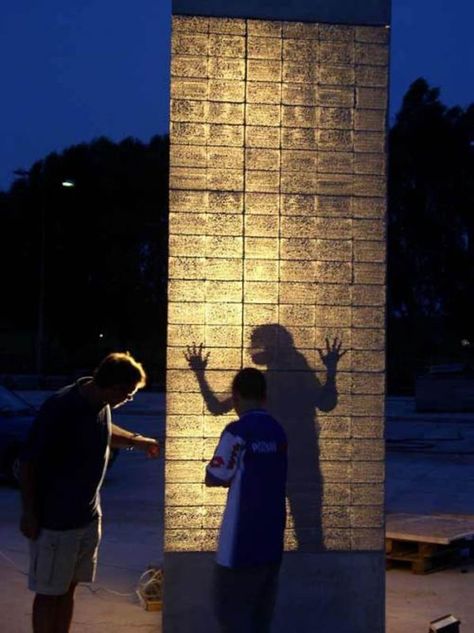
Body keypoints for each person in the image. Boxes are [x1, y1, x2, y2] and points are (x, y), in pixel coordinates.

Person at [19, 352, 160, 633]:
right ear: (114, 387)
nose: (127, 399)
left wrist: (138, 442)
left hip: (86, 518)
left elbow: (105, 430)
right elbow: (28, 464)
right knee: (49, 593)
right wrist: (30, 513)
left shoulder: (100, 402)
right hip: (55, 522)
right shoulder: (61, 408)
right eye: (128, 394)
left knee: (68, 589)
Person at [205, 367, 287, 633]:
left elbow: (215, 475)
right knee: (260, 620)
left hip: (239, 545)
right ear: (264, 397)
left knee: (232, 618)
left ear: (236, 396)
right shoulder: (277, 431)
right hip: (272, 540)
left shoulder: (238, 431)